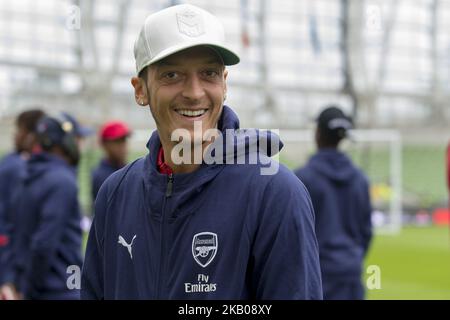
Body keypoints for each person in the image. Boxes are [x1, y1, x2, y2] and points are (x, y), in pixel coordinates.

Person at [81, 4, 322, 299]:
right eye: (172, 75)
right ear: (140, 89)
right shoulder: (115, 194)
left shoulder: (275, 192)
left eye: (208, 73)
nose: (194, 93)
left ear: (224, 83)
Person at [0, 114, 84, 300]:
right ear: (60, 143)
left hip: (31, 286)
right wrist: (28, 289)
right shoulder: (62, 181)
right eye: (75, 139)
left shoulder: (26, 176)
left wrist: (15, 282)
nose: (79, 144)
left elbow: (14, 236)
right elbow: (44, 242)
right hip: (61, 289)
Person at [294, 106, 372, 300]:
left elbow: (293, 233)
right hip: (350, 273)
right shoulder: (360, 179)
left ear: (318, 133)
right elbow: (366, 231)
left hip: (314, 275)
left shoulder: (302, 179)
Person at [0, 109, 45, 295]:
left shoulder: (17, 164)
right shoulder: (17, 166)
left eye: (19, 129)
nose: (15, 135)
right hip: (12, 258)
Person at [91, 121, 131, 203]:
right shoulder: (101, 175)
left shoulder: (129, 169)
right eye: (117, 142)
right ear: (104, 144)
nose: (122, 146)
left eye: (123, 141)